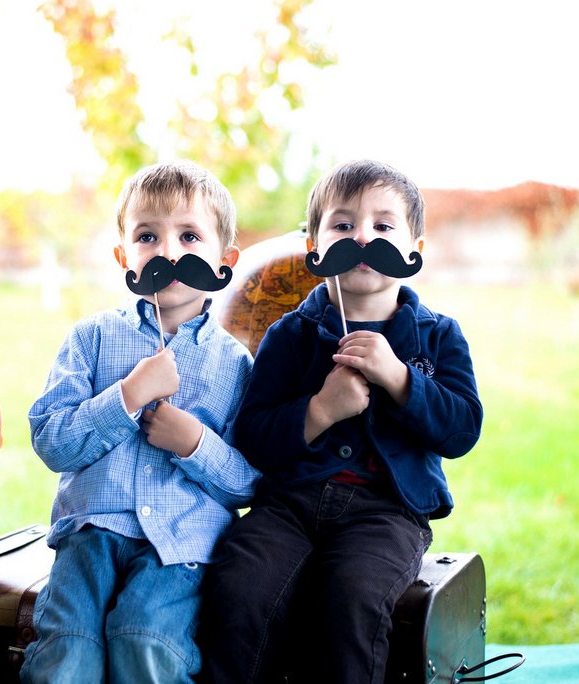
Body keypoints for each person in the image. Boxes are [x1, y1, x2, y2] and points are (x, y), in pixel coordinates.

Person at [200, 159, 483, 683]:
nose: (363, 238)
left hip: (387, 512)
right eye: (344, 224)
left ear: (414, 250)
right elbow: (254, 436)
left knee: (352, 598)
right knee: (241, 587)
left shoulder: (438, 336)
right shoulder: (291, 335)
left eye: (383, 225)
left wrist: (400, 379)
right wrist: (321, 410)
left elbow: (461, 429)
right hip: (288, 506)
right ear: (315, 248)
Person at [21, 161, 261, 684]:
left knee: (145, 642)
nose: (168, 252)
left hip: (182, 548)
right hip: (91, 535)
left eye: (189, 236)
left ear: (224, 260)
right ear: (123, 256)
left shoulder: (236, 365)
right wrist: (126, 397)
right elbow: (52, 442)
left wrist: (194, 443)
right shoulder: (90, 339)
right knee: (67, 656)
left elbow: (249, 483)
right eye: (147, 236)